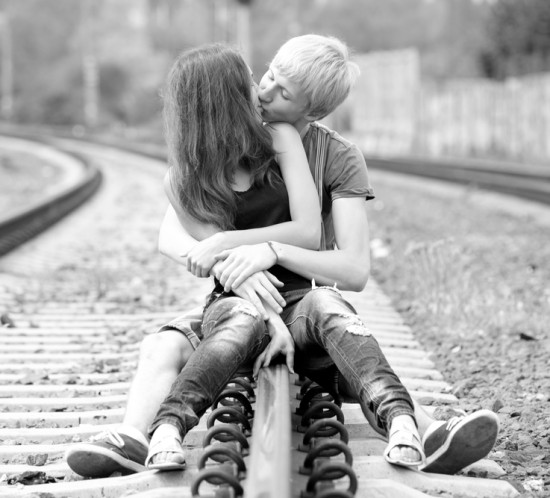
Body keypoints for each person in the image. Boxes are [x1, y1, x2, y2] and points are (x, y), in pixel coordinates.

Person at [65, 35, 499, 478]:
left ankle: (423, 430)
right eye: (266, 75)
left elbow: (349, 267)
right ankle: (137, 435)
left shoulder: (325, 153)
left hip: (298, 304)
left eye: (282, 92)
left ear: (310, 112)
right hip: (238, 300)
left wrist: (262, 251)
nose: (263, 92)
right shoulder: (211, 157)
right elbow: (173, 234)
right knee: (164, 343)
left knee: (337, 320)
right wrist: (232, 267)